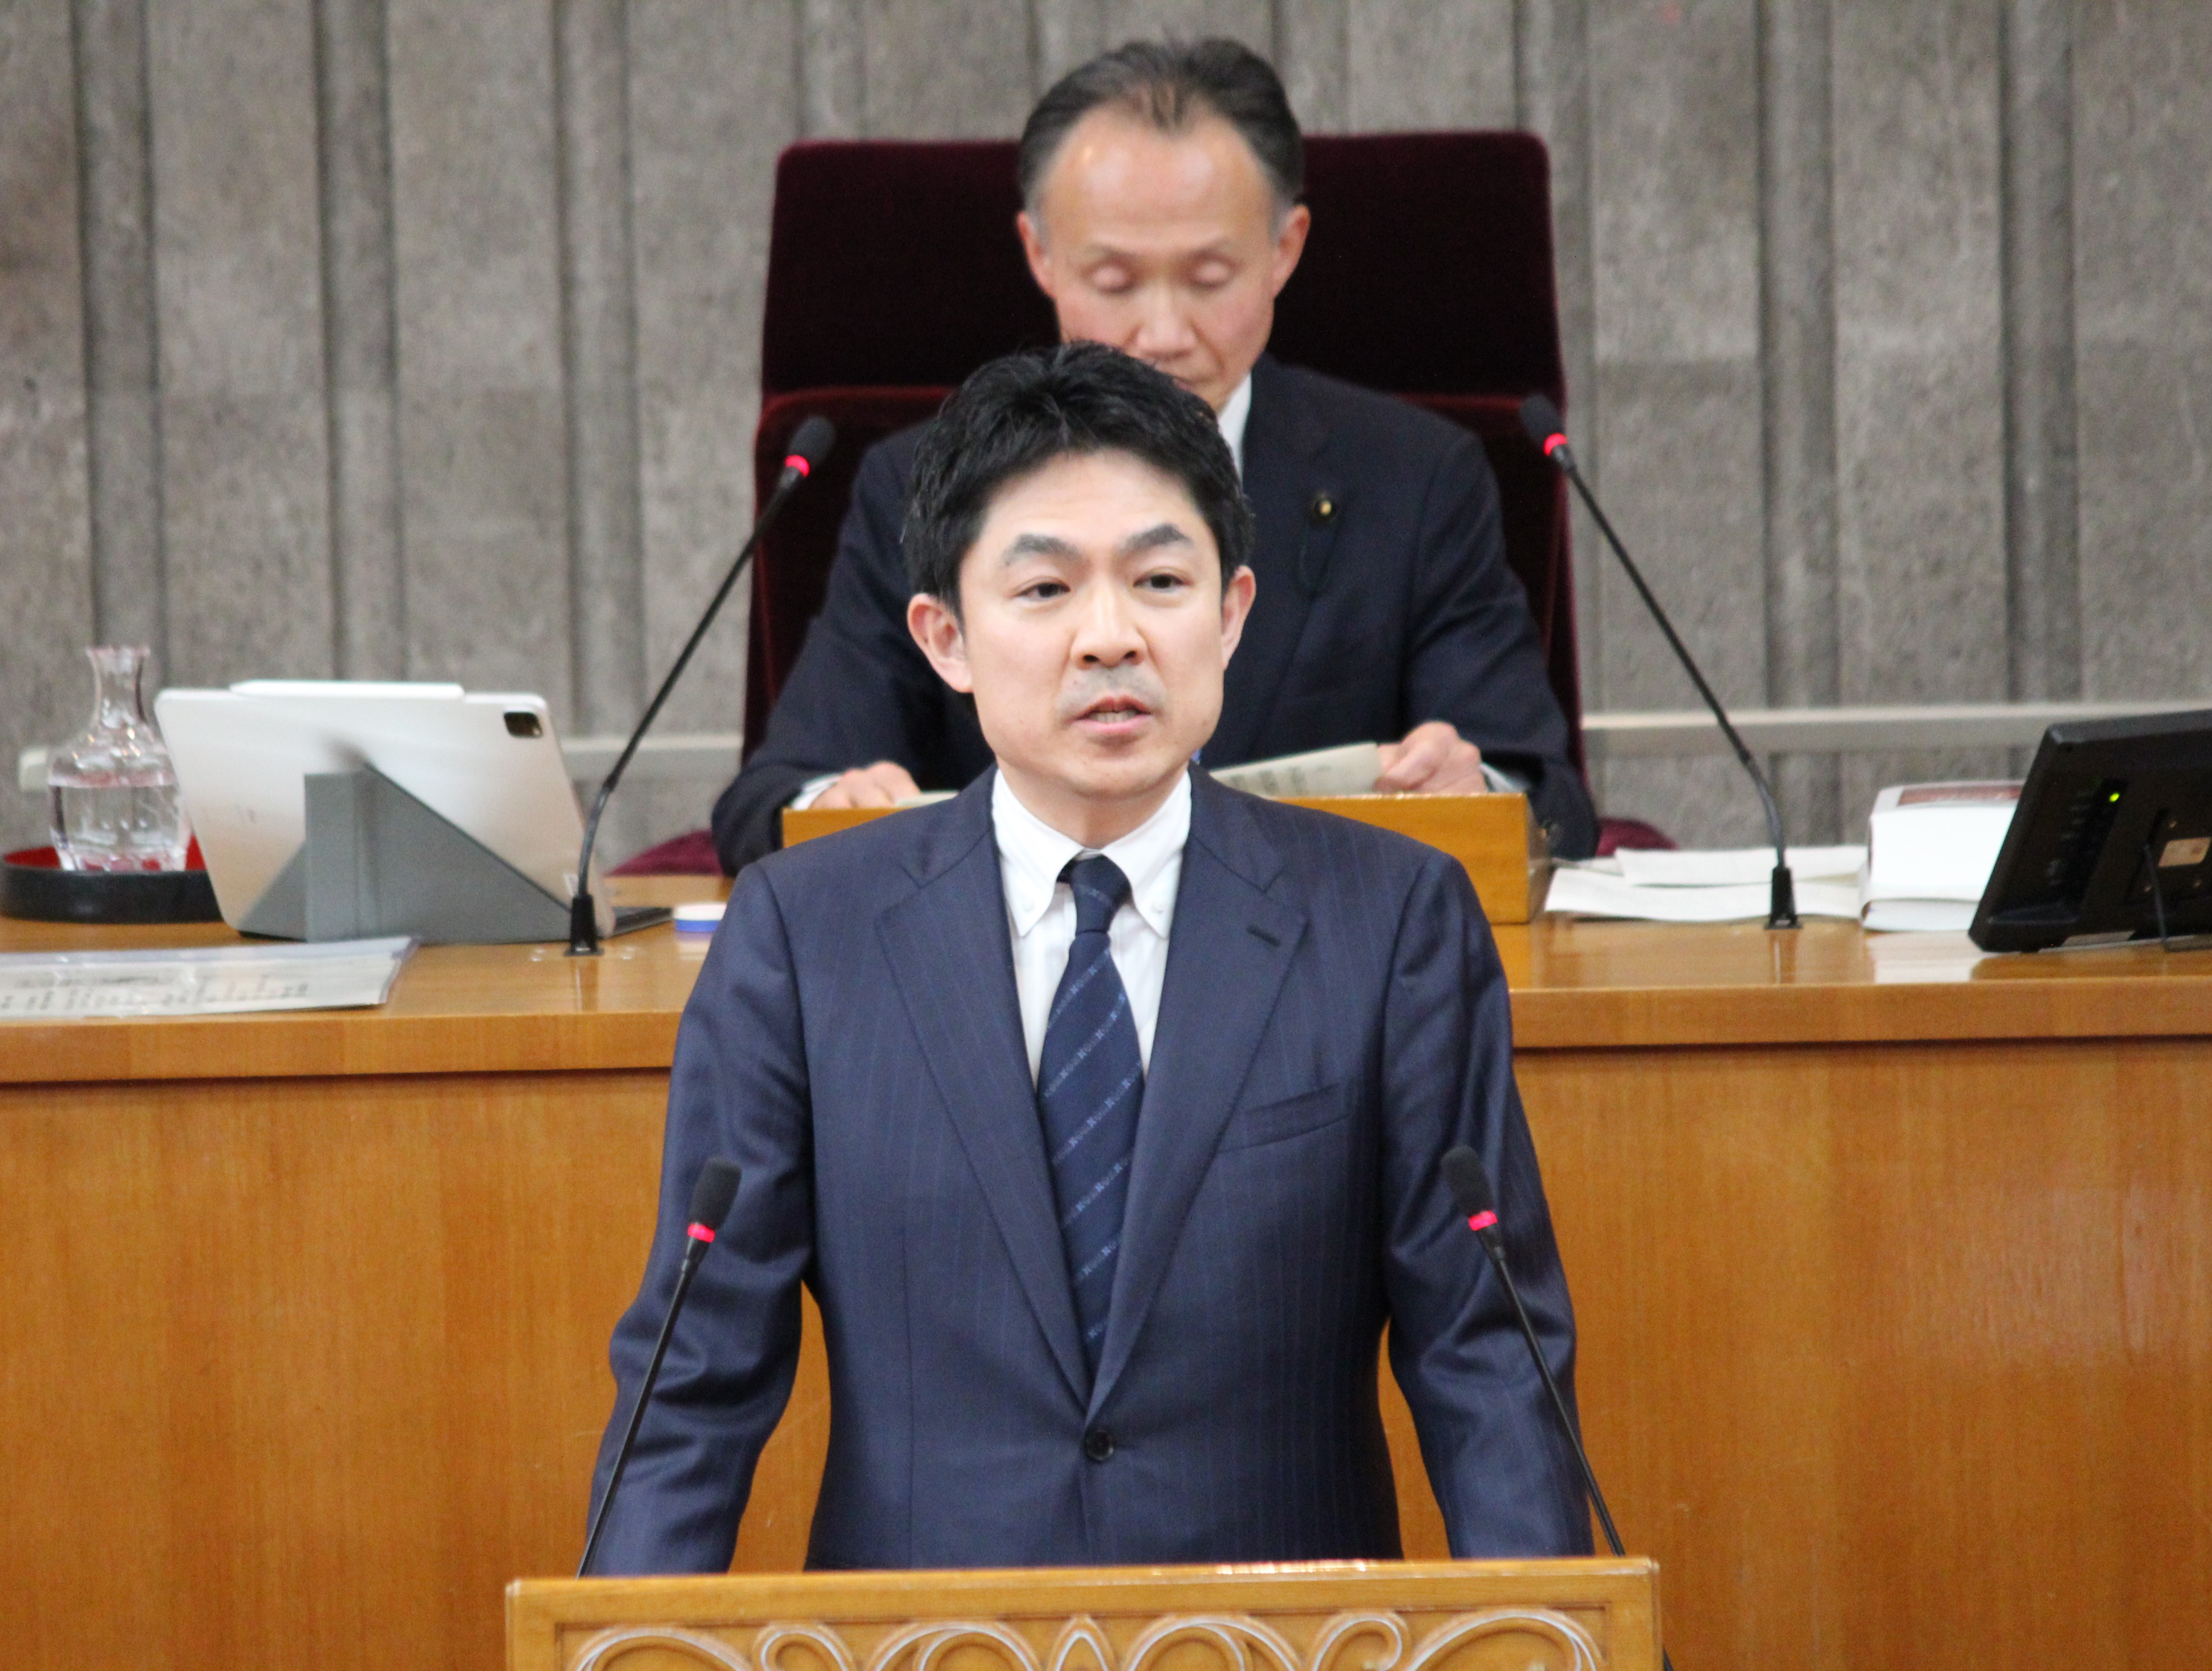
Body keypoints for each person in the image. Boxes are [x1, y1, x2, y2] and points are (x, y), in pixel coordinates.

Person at [589, 342, 1588, 1573]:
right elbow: (694, 1374)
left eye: (1160, 581)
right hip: (928, 1643)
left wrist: (1551, 1634)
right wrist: (617, 1636)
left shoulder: (1390, 922)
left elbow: (1487, 1356)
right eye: (1045, 589)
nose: (1109, 637)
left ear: (1230, 614)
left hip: (1275, 1638)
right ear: (945, 638)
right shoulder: (804, 935)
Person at [709, 37, 1597, 875]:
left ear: (1284, 249)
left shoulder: (1417, 478)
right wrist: (836, 803)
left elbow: (1546, 797)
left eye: (1209, 279)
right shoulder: (916, 484)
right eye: (1116, 282)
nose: (1163, 333)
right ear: (1041, 255)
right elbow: (774, 798)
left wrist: (1477, 791)